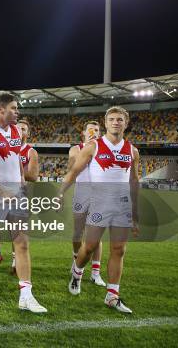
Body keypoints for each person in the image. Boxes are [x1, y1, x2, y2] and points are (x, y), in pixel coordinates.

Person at [0, 93, 47, 312]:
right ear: (1, 109)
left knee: (22, 243)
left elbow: (15, 162)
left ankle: (26, 295)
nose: (17, 112)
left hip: (17, 196)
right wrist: (0, 191)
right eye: (14, 108)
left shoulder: (15, 131)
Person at [61, 107, 140, 314]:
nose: (116, 122)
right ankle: (77, 273)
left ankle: (112, 295)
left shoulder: (132, 150)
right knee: (89, 246)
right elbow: (73, 172)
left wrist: (136, 212)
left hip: (122, 205)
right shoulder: (93, 147)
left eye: (120, 119)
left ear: (126, 123)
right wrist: (59, 194)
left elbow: (134, 181)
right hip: (99, 203)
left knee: (119, 250)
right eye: (112, 119)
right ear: (106, 123)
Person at [0, 119, 39, 275]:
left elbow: (33, 176)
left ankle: (16, 261)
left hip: (20, 195)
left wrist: (10, 172)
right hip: (0, 193)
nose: (21, 131)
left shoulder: (30, 151)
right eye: (18, 128)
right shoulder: (4, 147)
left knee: (17, 232)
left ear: (27, 133)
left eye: (24, 129)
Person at [67, 120, 106, 287]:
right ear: (83, 133)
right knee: (77, 232)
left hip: (99, 196)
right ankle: (77, 261)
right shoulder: (76, 149)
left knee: (95, 236)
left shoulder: (105, 150)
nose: (93, 132)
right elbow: (71, 171)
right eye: (90, 129)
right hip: (81, 194)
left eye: (96, 130)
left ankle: (95, 273)